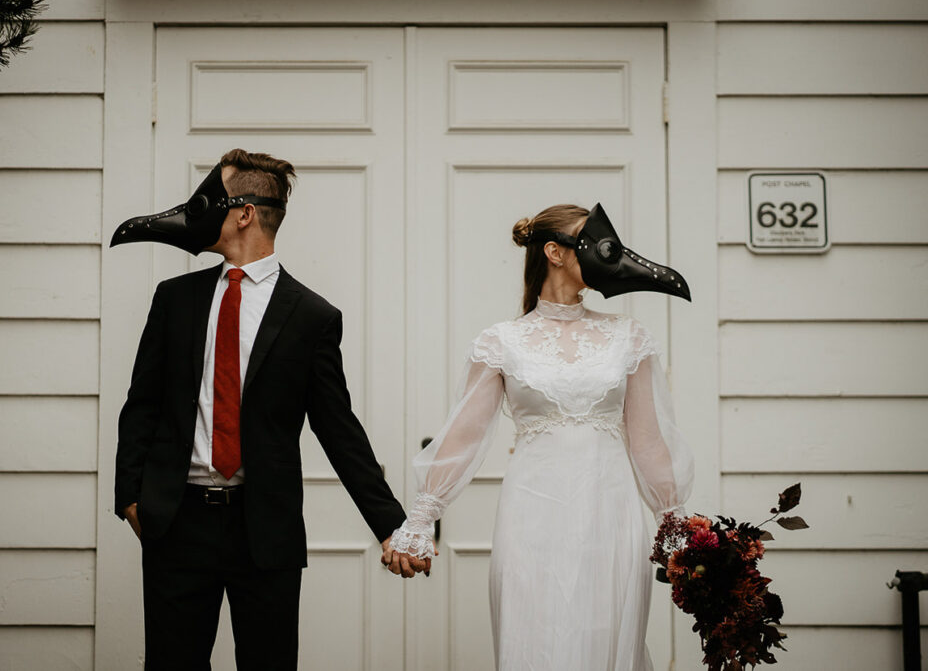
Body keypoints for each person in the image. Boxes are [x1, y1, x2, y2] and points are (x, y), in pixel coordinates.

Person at [112, 149, 411, 670]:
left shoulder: (313, 317)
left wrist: (392, 525)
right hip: (176, 523)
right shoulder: (174, 299)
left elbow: (338, 428)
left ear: (244, 212)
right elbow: (142, 404)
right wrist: (130, 497)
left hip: (264, 530)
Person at [383, 203, 695, 670]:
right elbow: (463, 434)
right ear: (554, 251)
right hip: (532, 519)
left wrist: (674, 521)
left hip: (610, 518)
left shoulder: (629, 337)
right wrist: (422, 516)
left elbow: (649, 440)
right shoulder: (502, 341)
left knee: (607, 638)